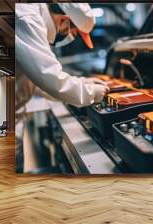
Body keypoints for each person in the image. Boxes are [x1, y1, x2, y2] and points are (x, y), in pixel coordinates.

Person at [15, 3, 109, 173]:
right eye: (74, 33)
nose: (71, 37)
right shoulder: (27, 20)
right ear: (64, 20)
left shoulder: (34, 19)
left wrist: (84, 83)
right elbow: (49, 76)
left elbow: (38, 81)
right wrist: (93, 93)